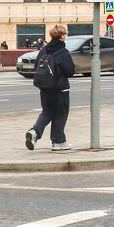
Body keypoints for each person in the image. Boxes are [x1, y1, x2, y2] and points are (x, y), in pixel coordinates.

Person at [25, 23, 76, 152]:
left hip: (45, 88)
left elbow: (37, 65)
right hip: (60, 89)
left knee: (47, 112)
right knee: (61, 113)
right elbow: (70, 71)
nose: (65, 36)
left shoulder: (44, 50)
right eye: (65, 34)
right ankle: (58, 141)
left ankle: (34, 132)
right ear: (61, 36)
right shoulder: (63, 52)